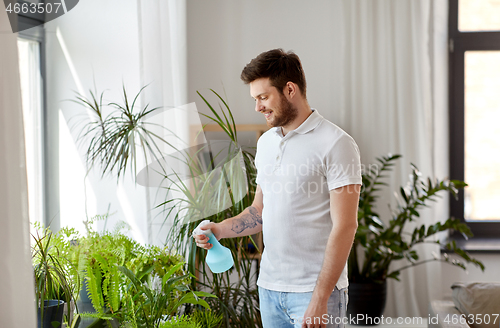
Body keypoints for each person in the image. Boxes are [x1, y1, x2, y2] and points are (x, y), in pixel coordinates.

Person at [193, 48, 362, 328]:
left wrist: (320, 298)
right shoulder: (267, 143)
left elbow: (346, 226)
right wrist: (220, 230)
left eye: (263, 97)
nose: (257, 107)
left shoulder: (336, 144)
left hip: (315, 293)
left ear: (290, 89)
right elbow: (260, 211)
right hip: (270, 289)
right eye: (255, 99)